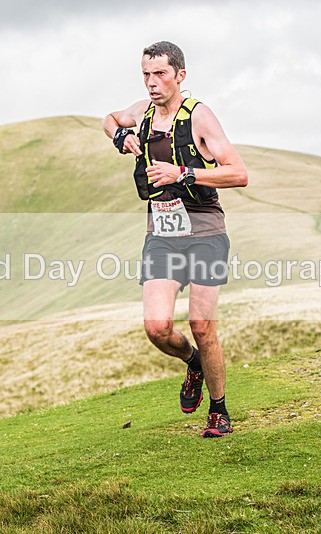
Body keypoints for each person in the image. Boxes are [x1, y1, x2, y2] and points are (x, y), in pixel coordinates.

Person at [102, 41, 248, 437]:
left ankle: (218, 410)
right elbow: (110, 119)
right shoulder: (143, 113)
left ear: (180, 75)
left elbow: (238, 173)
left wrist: (183, 173)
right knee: (156, 327)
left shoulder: (199, 117)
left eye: (160, 74)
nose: (152, 83)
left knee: (202, 325)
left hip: (204, 231)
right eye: (146, 75)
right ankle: (195, 364)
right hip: (163, 234)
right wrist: (120, 138)